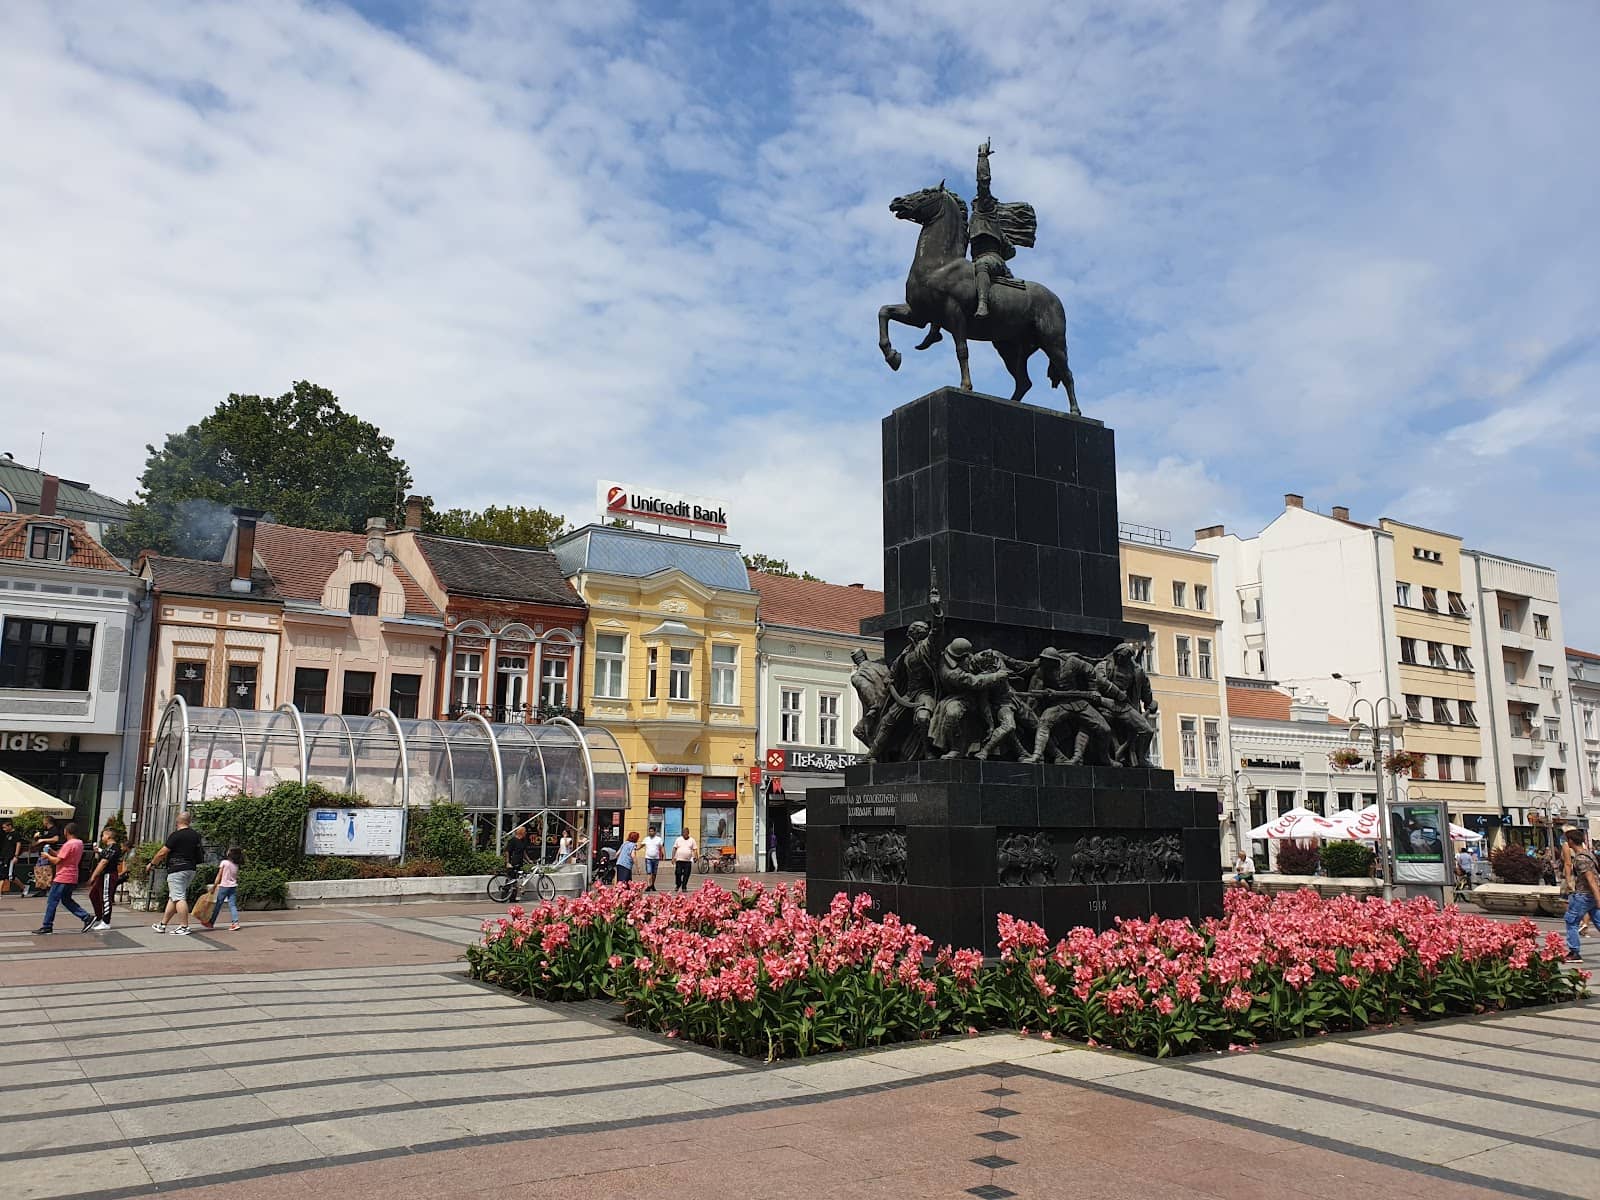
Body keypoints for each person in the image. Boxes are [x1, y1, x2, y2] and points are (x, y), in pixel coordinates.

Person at [149, 811, 204, 936]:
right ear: (189, 821)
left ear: (177, 822)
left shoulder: (176, 835)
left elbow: (162, 852)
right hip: (190, 869)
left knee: (179, 897)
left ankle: (184, 926)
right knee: (174, 897)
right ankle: (162, 925)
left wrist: (152, 863)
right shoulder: (195, 835)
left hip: (177, 869)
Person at [34, 822, 95, 935]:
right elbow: (61, 855)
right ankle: (86, 917)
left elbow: (57, 861)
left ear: (66, 831)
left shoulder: (69, 844)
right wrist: (52, 852)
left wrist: (47, 856)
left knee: (52, 901)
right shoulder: (79, 843)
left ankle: (47, 926)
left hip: (63, 876)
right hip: (72, 876)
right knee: (66, 900)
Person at [1562, 828, 1600, 964]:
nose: (1566, 843)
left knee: (1571, 921)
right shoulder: (1589, 854)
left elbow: (1591, 879)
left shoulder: (1581, 859)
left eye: (1566, 841)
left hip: (1584, 896)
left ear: (1571, 841)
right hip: (1590, 896)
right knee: (1598, 921)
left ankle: (1574, 953)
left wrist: (1598, 898)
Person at [84, 824, 124, 929]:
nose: (102, 838)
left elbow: (103, 862)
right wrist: (98, 852)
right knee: (94, 895)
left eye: (103, 836)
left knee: (106, 897)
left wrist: (93, 877)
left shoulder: (114, 847)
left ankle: (106, 921)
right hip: (103, 875)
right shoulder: (108, 848)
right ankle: (99, 917)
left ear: (108, 836)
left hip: (109, 875)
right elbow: (101, 858)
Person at [201, 847, 243, 932]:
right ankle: (235, 923)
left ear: (230, 854)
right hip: (233, 886)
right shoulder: (236, 865)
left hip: (224, 886)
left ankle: (211, 922)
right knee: (232, 905)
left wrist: (214, 886)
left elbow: (219, 875)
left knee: (218, 905)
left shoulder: (224, 862)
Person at [0, 818, 21, 893]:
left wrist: (16, 856)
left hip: (11, 857)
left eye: (5, 827)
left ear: (10, 826)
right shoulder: (7, 834)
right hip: (4, 857)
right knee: (3, 875)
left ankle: (23, 887)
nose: (3, 829)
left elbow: (18, 844)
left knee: (10, 876)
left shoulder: (16, 834)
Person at [642, 825, 664, 892]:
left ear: (655, 832)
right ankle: (649, 885)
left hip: (656, 858)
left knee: (654, 873)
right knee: (649, 872)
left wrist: (664, 855)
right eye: (649, 831)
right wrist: (635, 848)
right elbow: (641, 845)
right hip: (648, 858)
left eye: (652, 831)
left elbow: (662, 847)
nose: (650, 832)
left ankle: (652, 885)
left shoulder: (658, 839)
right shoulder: (646, 839)